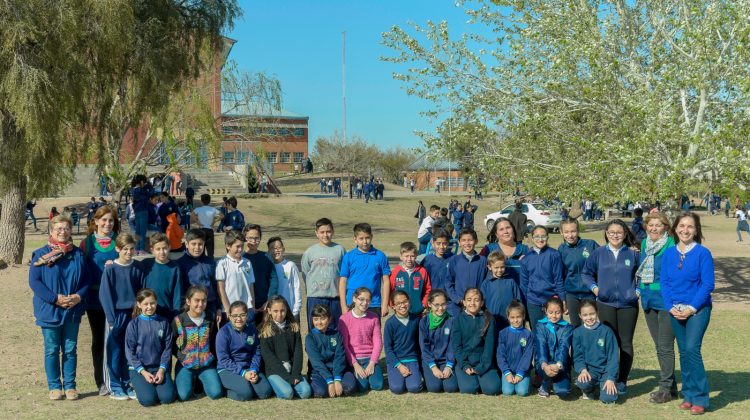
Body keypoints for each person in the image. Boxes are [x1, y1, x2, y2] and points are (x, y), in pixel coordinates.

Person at [660, 212, 715, 415]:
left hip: (698, 309)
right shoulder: (669, 253)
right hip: (675, 309)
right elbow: (664, 283)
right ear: (674, 229)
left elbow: (708, 284)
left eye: (690, 226)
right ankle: (689, 394)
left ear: (696, 230)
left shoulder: (703, 253)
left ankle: (700, 398)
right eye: (682, 226)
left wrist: (691, 308)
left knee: (692, 349)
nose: (685, 230)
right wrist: (670, 306)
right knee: (684, 352)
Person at [29, 215, 88, 401]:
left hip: (72, 308)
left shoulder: (78, 254)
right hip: (49, 309)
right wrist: (55, 299)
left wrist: (78, 296)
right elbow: (34, 281)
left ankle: (70, 386)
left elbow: (88, 279)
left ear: (71, 230)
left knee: (70, 349)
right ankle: (54, 386)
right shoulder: (40, 254)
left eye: (66, 228)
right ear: (51, 231)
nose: (63, 232)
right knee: (52, 349)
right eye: (58, 229)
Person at [582, 219, 640, 393]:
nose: (615, 235)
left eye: (619, 232)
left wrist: (637, 292)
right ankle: (609, 378)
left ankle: (622, 380)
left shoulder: (633, 254)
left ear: (625, 234)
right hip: (605, 303)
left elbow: (645, 275)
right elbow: (586, 274)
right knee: (609, 342)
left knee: (626, 343)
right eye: (611, 232)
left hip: (628, 305)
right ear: (606, 234)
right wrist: (596, 289)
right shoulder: (598, 253)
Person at [636, 212, 678, 403]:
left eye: (658, 225)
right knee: (659, 346)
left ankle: (665, 389)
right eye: (650, 225)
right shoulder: (645, 244)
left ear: (666, 228)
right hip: (647, 299)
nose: (653, 228)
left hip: (666, 300)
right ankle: (672, 386)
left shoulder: (671, 245)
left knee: (665, 346)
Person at [78, 205, 120, 396]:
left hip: (117, 299)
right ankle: (100, 381)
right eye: (103, 220)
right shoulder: (86, 244)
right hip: (94, 300)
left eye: (111, 220)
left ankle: (118, 377)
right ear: (95, 221)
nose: (107, 224)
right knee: (99, 340)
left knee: (116, 338)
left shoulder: (120, 241)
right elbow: (80, 272)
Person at [99, 233, 144, 400]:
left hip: (133, 316)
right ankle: (115, 386)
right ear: (117, 249)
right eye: (125, 249)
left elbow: (142, 293)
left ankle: (127, 384)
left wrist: (139, 315)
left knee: (130, 352)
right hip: (116, 315)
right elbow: (105, 296)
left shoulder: (138, 268)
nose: (129, 252)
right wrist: (111, 320)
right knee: (114, 351)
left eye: (132, 249)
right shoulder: (110, 270)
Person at [124, 288, 177, 407]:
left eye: (152, 303)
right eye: (145, 304)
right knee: (149, 400)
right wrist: (143, 372)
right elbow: (129, 352)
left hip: (159, 368)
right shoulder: (133, 325)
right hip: (140, 369)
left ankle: (158, 386)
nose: (149, 307)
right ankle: (141, 388)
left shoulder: (163, 323)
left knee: (167, 398)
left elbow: (167, 349)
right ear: (139, 304)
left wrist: (162, 370)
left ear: (156, 303)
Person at [172, 285, 223, 401]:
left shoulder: (210, 318)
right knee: (183, 396)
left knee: (216, 393)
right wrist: (182, 357)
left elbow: (214, 341)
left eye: (204, 300)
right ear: (188, 301)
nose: (200, 304)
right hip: (185, 364)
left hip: (206, 364)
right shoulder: (178, 320)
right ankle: (189, 381)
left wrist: (211, 358)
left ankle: (201, 381)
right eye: (197, 300)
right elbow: (171, 344)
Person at [216, 301, 274, 401]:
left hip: (249, 368)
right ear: (229, 316)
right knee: (246, 394)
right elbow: (224, 360)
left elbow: (257, 352)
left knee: (265, 393)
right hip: (228, 369)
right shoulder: (223, 333)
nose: (238, 319)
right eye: (235, 316)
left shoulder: (252, 329)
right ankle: (225, 390)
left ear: (247, 316)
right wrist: (243, 373)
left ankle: (246, 384)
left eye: (242, 315)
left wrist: (254, 369)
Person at [259, 295, 312, 400]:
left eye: (282, 310)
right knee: (287, 393)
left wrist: (296, 374)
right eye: (275, 311)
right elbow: (270, 359)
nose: (279, 314)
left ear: (287, 310)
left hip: (292, 371)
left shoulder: (294, 327)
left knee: (306, 392)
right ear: (269, 311)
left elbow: (298, 353)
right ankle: (279, 386)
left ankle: (290, 385)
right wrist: (288, 378)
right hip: (275, 371)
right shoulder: (264, 331)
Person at [450, 288, 502, 395]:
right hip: (466, 362)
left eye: (476, 300)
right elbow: (457, 346)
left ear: (482, 302)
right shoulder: (458, 320)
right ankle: (473, 381)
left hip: (483, 363)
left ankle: (482, 380)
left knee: (493, 389)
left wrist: (481, 367)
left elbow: (489, 347)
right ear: (464, 302)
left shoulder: (489, 319)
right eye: (469, 300)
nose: (472, 303)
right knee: (469, 389)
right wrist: (464, 365)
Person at [301, 218, 346, 331]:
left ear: (333, 231)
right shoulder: (309, 252)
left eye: (328, 231)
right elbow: (306, 273)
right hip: (316, 297)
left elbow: (344, 274)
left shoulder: (340, 250)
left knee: (335, 329)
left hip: (335, 297)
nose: (325, 235)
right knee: (316, 328)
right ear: (316, 233)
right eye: (322, 232)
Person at [338, 223, 391, 317]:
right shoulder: (348, 257)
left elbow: (386, 281)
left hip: (373, 303)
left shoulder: (380, 256)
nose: (365, 241)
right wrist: (343, 306)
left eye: (367, 238)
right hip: (352, 303)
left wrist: (384, 304)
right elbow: (343, 281)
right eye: (361, 238)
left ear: (371, 237)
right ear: (355, 239)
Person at [338, 287, 384, 392]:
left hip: (369, 358)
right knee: (363, 387)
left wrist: (372, 362)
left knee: (378, 385)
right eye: (361, 299)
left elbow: (378, 342)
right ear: (354, 299)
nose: (364, 303)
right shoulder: (344, 319)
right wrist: (355, 364)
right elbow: (344, 345)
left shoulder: (374, 318)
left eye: (368, 300)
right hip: (354, 359)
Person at [573, 300, 619, 404]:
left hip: (605, 372)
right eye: (585, 315)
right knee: (582, 382)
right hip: (589, 371)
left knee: (608, 399)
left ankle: (606, 385)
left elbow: (613, 357)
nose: (589, 318)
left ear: (597, 312)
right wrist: (583, 370)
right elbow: (577, 356)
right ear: (580, 316)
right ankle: (588, 390)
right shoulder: (577, 333)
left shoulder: (607, 331)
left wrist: (611, 378)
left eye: (592, 314)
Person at [306, 304, 357, 398]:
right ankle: (323, 383)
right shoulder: (310, 337)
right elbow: (316, 362)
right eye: (316, 319)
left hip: (338, 369)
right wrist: (329, 380)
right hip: (319, 371)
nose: (319, 322)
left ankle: (337, 381)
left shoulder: (336, 334)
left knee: (349, 388)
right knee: (321, 392)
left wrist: (337, 378)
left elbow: (340, 356)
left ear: (329, 319)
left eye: (323, 318)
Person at [520, 226, 565, 330]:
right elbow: (524, 284)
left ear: (548, 237)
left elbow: (559, 279)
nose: (540, 239)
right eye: (537, 236)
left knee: (554, 331)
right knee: (537, 332)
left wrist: (562, 299)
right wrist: (524, 303)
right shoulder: (526, 258)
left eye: (543, 236)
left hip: (551, 300)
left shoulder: (554, 255)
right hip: (533, 302)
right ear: (531, 238)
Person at [558, 218, 599, 326]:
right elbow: (560, 275)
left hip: (589, 293)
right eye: (566, 232)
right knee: (576, 326)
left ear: (578, 231)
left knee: (590, 324)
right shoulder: (561, 249)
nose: (570, 235)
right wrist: (563, 298)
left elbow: (607, 256)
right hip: (571, 295)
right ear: (561, 232)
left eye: (573, 231)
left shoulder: (590, 245)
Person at [383, 291, 423, 394]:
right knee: (397, 389)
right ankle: (394, 375)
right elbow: (388, 348)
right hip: (396, 361)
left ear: (409, 302)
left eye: (405, 301)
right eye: (398, 303)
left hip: (412, 358)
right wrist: (399, 366)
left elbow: (419, 344)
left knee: (415, 387)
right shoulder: (390, 323)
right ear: (393, 306)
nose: (402, 305)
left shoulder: (416, 320)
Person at [419, 290, 458, 393]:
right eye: (436, 305)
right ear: (430, 304)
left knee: (451, 388)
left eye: (443, 304)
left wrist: (449, 366)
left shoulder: (451, 320)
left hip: (446, 360)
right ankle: (426, 374)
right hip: (430, 360)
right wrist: (433, 367)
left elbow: (452, 345)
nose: (440, 308)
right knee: (434, 388)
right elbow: (424, 346)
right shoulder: (424, 322)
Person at [534, 296, 573, 399]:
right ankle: (545, 383)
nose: (554, 316)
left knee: (564, 392)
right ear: (545, 311)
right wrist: (544, 364)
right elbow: (541, 346)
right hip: (544, 363)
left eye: (557, 312)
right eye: (550, 312)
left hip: (560, 364)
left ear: (563, 311)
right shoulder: (540, 326)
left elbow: (564, 348)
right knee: (547, 370)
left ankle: (555, 381)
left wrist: (559, 364)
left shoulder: (567, 328)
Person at [177, 229, 220, 321]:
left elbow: (215, 285)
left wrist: (218, 307)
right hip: (191, 308)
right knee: (194, 335)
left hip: (210, 306)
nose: (197, 247)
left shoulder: (210, 262)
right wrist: (182, 309)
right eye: (193, 244)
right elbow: (179, 289)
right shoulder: (180, 264)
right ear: (186, 244)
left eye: (200, 244)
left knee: (210, 334)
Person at [480, 218, 528, 296]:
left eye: (508, 228)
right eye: (501, 229)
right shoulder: (488, 249)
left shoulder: (525, 250)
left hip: (520, 299)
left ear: (513, 230)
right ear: (496, 234)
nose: (505, 231)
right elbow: (478, 272)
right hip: (495, 298)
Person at [242, 224, 279, 324]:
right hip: (246, 306)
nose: (254, 241)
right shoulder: (240, 258)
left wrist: (269, 301)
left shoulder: (266, 257)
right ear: (245, 238)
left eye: (256, 238)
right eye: (250, 238)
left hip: (265, 305)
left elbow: (274, 280)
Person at [446, 228, 488, 316]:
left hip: (477, 306)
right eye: (464, 240)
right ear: (459, 242)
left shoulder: (483, 261)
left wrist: (480, 299)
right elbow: (448, 282)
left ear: (476, 241)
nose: (467, 243)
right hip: (458, 307)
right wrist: (457, 299)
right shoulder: (454, 260)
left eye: (470, 240)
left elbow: (486, 282)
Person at [496, 301, 534, 397]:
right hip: (508, 370)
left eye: (518, 317)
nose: (516, 320)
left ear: (523, 316)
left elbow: (527, 356)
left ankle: (526, 381)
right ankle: (507, 378)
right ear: (508, 317)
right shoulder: (503, 334)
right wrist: (506, 372)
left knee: (521, 392)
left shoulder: (528, 334)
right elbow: (500, 355)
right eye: (512, 317)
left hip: (522, 370)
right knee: (507, 392)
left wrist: (520, 373)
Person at [142, 233, 183, 320]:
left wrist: (176, 314)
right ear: (152, 250)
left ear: (169, 247)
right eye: (158, 249)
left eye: (164, 248)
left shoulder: (174, 268)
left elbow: (177, 293)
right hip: (147, 311)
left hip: (167, 312)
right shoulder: (145, 264)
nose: (162, 252)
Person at [216, 230, 255, 316]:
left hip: (247, 309)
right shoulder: (222, 263)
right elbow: (220, 288)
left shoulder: (247, 263)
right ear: (228, 246)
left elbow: (251, 285)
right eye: (237, 246)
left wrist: (252, 305)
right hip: (230, 310)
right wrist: (227, 308)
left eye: (242, 246)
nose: (240, 249)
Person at [481, 251, 522, 330]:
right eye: (496, 267)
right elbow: (482, 303)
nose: (499, 270)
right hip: (491, 320)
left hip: (509, 320)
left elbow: (518, 301)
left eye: (502, 267)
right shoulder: (486, 284)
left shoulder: (511, 282)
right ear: (489, 267)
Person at [389, 241, 431, 316]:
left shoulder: (422, 271)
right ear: (401, 257)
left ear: (416, 256)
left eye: (412, 256)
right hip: (400, 312)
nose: (409, 259)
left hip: (418, 312)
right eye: (406, 256)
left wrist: (424, 304)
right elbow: (390, 290)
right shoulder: (396, 272)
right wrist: (392, 304)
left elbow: (427, 289)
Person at [267, 237, 302, 322]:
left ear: (283, 249)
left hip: (290, 310)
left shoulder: (290, 265)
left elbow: (297, 287)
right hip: (273, 312)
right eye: (272, 248)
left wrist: (296, 309)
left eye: (278, 247)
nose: (276, 250)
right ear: (268, 251)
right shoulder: (267, 267)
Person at [192, 194, 221, 259]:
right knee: (210, 250)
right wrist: (214, 221)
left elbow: (192, 215)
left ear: (201, 201)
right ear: (209, 201)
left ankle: (201, 263)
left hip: (201, 230)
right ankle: (211, 264)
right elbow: (222, 215)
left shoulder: (198, 209)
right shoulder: (213, 209)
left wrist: (198, 223)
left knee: (201, 248)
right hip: (210, 230)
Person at [130, 175, 153, 253]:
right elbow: (151, 193)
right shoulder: (141, 190)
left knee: (138, 231)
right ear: (141, 182)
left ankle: (137, 248)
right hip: (143, 211)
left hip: (137, 212)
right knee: (143, 231)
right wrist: (149, 184)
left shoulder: (133, 190)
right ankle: (142, 249)